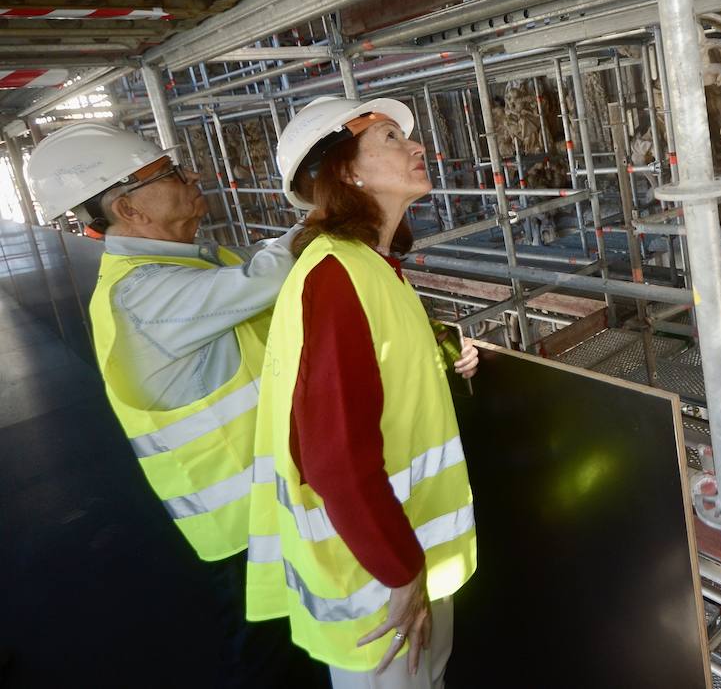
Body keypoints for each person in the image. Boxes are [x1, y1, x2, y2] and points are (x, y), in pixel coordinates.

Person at [25, 122, 325, 687]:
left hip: (284, 504)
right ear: (128, 209)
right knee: (281, 665)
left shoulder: (194, 265)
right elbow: (276, 273)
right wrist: (330, 211)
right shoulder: (143, 294)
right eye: (167, 173)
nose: (191, 176)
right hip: (249, 526)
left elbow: (262, 278)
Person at [247, 96, 480, 689]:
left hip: (399, 553)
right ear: (345, 171)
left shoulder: (371, 266)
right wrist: (399, 572)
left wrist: (445, 354)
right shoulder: (335, 277)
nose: (416, 146)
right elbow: (333, 458)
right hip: (373, 575)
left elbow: (381, 369)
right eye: (389, 139)